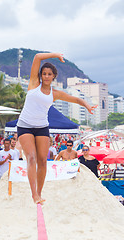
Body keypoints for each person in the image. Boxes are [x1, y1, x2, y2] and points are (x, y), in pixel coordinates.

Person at [17, 52, 97, 204]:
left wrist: (87, 105)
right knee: (32, 158)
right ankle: (34, 194)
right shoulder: (34, 83)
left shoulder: (55, 94)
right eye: (44, 74)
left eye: (49, 74)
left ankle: (39, 193)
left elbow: (75, 99)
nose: (46, 76)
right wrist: (56, 55)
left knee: (43, 160)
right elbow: (37, 57)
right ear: (41, 75)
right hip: (25, 126)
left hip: (42, 127)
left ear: (54, 76)